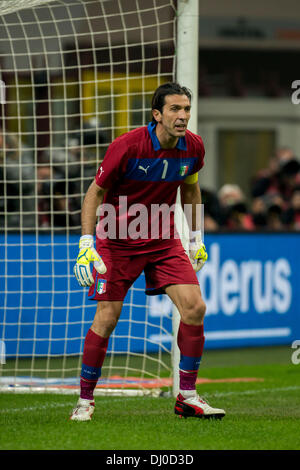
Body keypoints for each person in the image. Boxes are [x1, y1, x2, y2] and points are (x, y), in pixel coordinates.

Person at [70, 82, 225, 421]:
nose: (183, 116)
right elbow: (94, 194)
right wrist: (86, 243)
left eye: (186, 109)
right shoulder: (127, 146)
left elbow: (191, 188)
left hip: (162, 239)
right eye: (175, 109)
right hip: (116, 241)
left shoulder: (194, 147)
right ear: (157, 114)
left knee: (195, 307)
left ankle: (187, 396)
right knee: (107, 318)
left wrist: (197, 238)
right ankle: (85, 400)